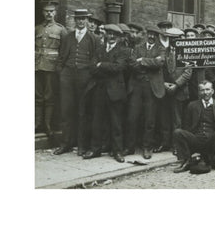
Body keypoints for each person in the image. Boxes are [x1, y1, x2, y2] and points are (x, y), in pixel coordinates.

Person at [54, 9, 98, 156]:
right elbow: (61, 57)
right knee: (66, 111)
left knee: (83, 112)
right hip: (67, 76)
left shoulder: (93, 38)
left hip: (84, 78)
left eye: (83, 19)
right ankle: (65, 144)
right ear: (74, 20)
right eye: (78, 19)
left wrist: (89, 74)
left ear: (87, 20)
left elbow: (95, 59)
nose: (80, 21)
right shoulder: (68, 36)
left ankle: (82, 145)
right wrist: (61, 73)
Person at [82, 24, 127, 163]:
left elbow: (118, 68)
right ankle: (95, 149)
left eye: (114, 34)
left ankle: (117, 152)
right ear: (106, 35)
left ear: (118, 37)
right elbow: (91, 68)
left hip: (115, 91)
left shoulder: (123, 51)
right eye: (109, 33)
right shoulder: (100, 49)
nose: (111, 36)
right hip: (99, 90)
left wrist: (101, 65)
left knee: (116, 123)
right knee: (97, 121)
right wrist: (103, 66)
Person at [124, 26, 166, 159]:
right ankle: (130, 147)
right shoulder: (138, 47)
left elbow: (160, 63)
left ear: (157, 36)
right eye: (150, 34)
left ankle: (147, 147)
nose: (152, 36)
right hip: (136, 86)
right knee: (132, 117)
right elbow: (131, 64)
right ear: (146, 34)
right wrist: (149, 64)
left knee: (150, 119)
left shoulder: (161, 49)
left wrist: (142, 61)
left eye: (155, 34)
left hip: (151, 87)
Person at [173, 81, 215, 173]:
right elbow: (186, 125)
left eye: (207, 89)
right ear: (199, 92)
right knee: (178, 132)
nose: (205, 92)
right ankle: (187, 161)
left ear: (212, 91)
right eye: (202, 90)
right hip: (196, 140)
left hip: (211, 141)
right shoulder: (192, 105)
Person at [155, 28, 192, 153]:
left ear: (181, 39)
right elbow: (159, 69)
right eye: (171, 38)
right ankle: (165, 143)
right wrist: (164, 84)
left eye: (176, 38)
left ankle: (177, 145)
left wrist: (176, 85)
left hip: (179, 90)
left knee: (177, 120)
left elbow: (188, 73)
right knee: (164, 118)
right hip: (165, 89)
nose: (173, 41)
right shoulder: (163, 52)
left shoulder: (186, 52)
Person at [35, 1, 67, 137]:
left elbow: (64, 50)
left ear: (55, 13)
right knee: (37, 96)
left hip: (51, 67)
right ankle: (37, 124)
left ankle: (47, 125)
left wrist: (59, 67)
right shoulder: (36, 28)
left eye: (51, 11)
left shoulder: (61, 30)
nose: (48, 13)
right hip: (36, 65)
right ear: (43, 12)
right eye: (46, 11)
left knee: (49, 96)